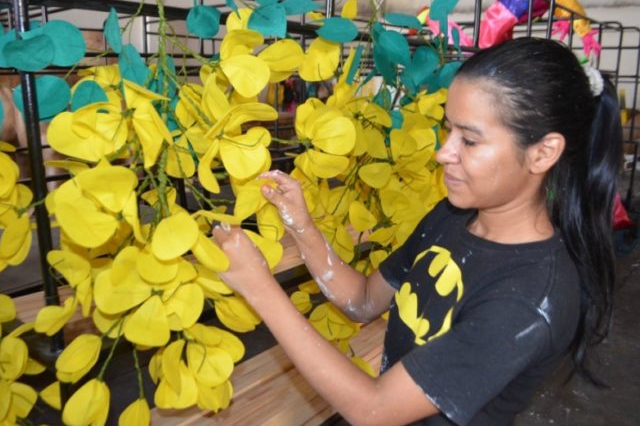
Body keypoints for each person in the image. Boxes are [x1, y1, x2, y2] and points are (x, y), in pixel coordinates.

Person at [212, 37, 621, 425]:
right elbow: (363, 300)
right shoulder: (452, 217)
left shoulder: (530, 301)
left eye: (470, 141)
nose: (444, 152)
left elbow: (371, 410)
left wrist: (259, 287)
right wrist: (300, 224)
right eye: (449, 130)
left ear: (544, 152)